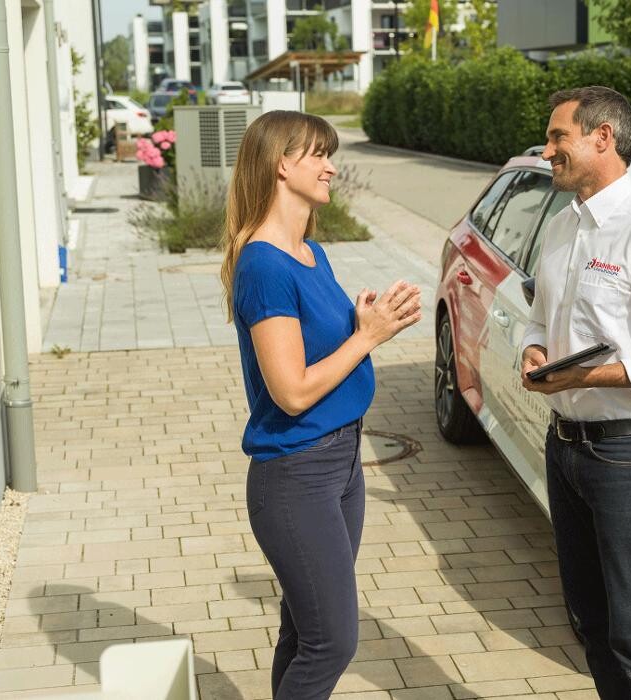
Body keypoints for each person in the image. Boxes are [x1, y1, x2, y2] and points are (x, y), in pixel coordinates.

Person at [219, 110, 421, 700]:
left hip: (342, 464)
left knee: (304, 631)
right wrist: (369, 337)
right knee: (333, 642)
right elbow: (291, 390)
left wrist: (359, 322)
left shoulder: (310, 252)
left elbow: (316, 348)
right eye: (318, 155)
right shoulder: (263, 263)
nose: (332, 166)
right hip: (296, 473)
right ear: (282, 164)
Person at [520, 87, 631, 699]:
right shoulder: (561, 226)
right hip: (564, 447)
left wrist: (584, 377)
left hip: (624, 455)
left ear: (603, 139)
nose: (547, 151)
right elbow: (537, 319)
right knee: (590, 621)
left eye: (557, 138)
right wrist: (535, 352)